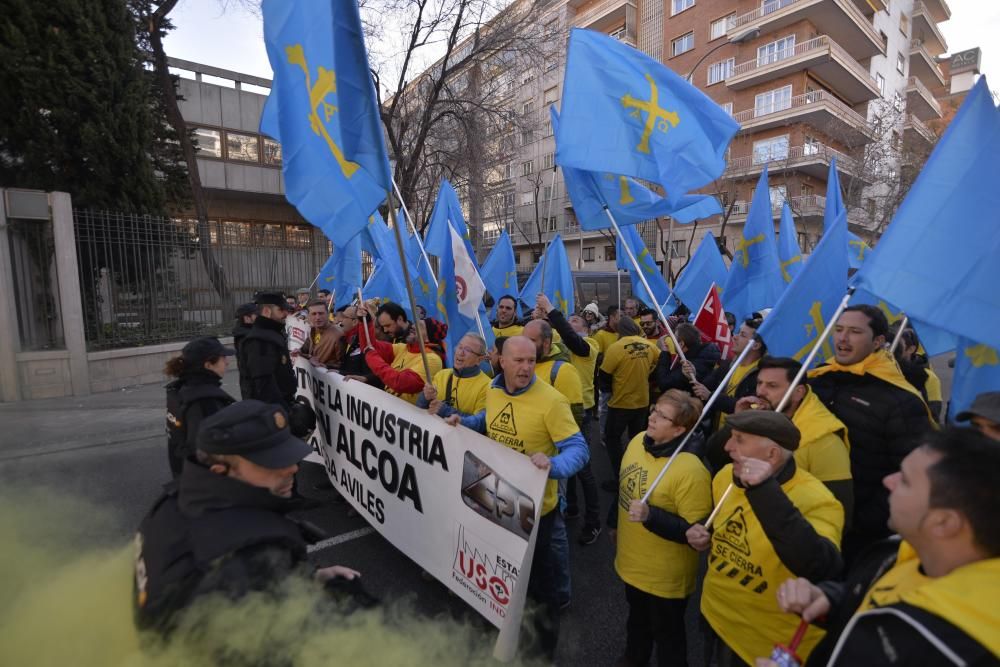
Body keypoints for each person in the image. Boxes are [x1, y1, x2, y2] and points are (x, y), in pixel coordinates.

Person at [764, 428, 1000, 666]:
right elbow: (878, 598)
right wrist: (835, 599)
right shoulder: (900, 554)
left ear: (944, 522)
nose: (888, 481)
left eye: (905, 481)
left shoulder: (959, 649)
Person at [134, 400, 366, 637]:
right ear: (220, 471)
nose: (293, 469)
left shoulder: (173, 502)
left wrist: (307, 578)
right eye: (272, 461)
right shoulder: (247, 556)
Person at [445, 336, 589, 661]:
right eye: (519, 361)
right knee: (499, 573)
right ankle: (505, 633)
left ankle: (542, 653)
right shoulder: (494, 390)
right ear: (501, 362)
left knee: (541, 588)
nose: (526, 367)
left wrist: (553, 465)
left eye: (531, 360)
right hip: (494, 501)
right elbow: (487, 420)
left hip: (536, 513)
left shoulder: (552, 401)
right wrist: (462, 421)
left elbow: (579, 449)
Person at [687, 410, 844, 667]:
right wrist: (706, 535)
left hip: (766, 645)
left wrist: (763, 490)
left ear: (772, 454)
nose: (727, 447)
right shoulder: (726, 477)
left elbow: (820, 566)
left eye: (739, 440)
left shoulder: (819, 501)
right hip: (716, 616)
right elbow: (731, 528)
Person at [808, 305, 933, 561]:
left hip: (857, 531)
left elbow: (910, 471)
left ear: (878, 341)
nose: (842, 338)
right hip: (808, 512)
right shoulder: (819, 378)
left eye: (854, 331)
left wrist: (861, 522)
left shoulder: (900, 399)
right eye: (839, 330)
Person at [611, 390, 712, 667]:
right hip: (632, 563)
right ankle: (634, 659)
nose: (652, 417)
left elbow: (696, 534)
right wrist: (613, 523)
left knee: (668, 638)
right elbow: (626, 486)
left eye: (662, 416)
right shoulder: (636, 442)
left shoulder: (691, 470)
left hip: (664, 578)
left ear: (680, 429)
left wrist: (651, 516)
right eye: (654, 410)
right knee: (637, 622)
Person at [714, 357, 853, 522]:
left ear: (798, 393)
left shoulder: (823, 438)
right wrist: (739, 420)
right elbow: (715, 457)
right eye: (759, 383)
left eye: (772, 386)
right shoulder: (760, 416)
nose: (760, 392)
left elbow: (838, 510)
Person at [599, 317, 661, 491]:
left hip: (620, 403)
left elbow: (604, 375)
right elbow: (661, 361)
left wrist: (609, 392)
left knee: (612, 440)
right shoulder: (648, 345)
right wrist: (648, 376)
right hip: (642, 402)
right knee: (638, 441)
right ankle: (638, 475)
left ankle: (620, 477)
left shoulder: (616, 348)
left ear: (620, 330)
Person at [163, 337, 237, 478]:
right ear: (208, 365)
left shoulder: (181, 390)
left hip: (185, 475)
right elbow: (204, 451)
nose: (227, 362)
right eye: (223, 358)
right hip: (204, 483)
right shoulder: (204, 400)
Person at [562, 313, 603, 546]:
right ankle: (572, 507)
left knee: (583, 470)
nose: (570, 322)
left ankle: (593, 522)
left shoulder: (590, 344)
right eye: (568, 319)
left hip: (582, 413)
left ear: (587, 328)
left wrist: (552, 313)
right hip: (561, 411)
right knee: (565, 466)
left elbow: (572, 339)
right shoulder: (564, 340)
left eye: (575, 320)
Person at [691, 315, 766, 431]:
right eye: (738, 332)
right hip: (717, 431)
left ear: (756, 345)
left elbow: (748, 407)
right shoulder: (729, 364)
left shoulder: (762, 375)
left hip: (738, 435)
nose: (734, 337)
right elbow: (704, 387)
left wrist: (711, 396)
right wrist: (693, 373)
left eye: (742, 335)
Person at [364, 315, 445, 404]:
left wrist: (371, 355)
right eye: (415, 323)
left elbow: (399, 383)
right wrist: (365, 321)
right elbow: (370, 345)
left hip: (404, 415)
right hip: (386, 408)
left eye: (420, 326)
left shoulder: (432, 359)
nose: (413, 326)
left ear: (428, 338)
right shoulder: (404, 348)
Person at [238, 292, 295, 409]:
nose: (285, 313)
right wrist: (282, 411)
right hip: (268, 411)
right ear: (266, 311)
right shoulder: (259, 340)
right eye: (281, 310)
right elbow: (263, 385)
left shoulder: (273, 333)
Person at [418, 333, 490, 417]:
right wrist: (425, 398)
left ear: (479, 360)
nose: (460, 353)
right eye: (459, 347)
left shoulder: (487, 386)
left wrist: (445, 411)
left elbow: (480, 424)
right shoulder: (441, 375)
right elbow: (419, 410)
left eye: (467, 350)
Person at [891, 325, 943, 422]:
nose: (891, 349)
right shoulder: (882, 369)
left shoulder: (928, 378)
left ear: (911, 349)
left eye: (898, 345)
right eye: (889, 344)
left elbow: (933, 415)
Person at [653, 322, 720, 393]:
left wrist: (664, 353)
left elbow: (664, 384)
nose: (672, 341)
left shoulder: (690, 365)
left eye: (674, 339)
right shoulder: (702, 356)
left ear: (681, 344)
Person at [299, 299, 343, 369]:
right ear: (309, 316)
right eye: (314, 314)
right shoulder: (312, 331)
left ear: (328, 314)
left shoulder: (338, 335)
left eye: (321, 313)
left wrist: (325, 366)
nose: (317, 317)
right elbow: (305, 350)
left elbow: (343, 364)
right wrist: (298, 352)